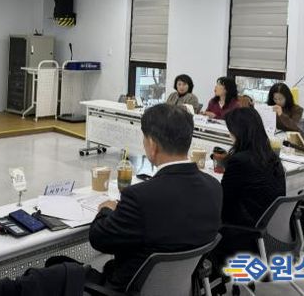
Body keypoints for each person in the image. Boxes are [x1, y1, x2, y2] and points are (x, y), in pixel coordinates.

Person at [88, 104, 222, 291]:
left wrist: (106, 209)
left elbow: (99, 239)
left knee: (58, 266)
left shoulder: (140, 197)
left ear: (152, 145)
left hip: (129, 288)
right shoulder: (214, 187)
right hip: (181, 288)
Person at [212, 108, 285, 266]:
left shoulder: (240, 161)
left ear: (239, 132)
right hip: (268, 234)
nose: (229, 135)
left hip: (243, 235)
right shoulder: (271, 157)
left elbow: (224, 202)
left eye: (231, 131)